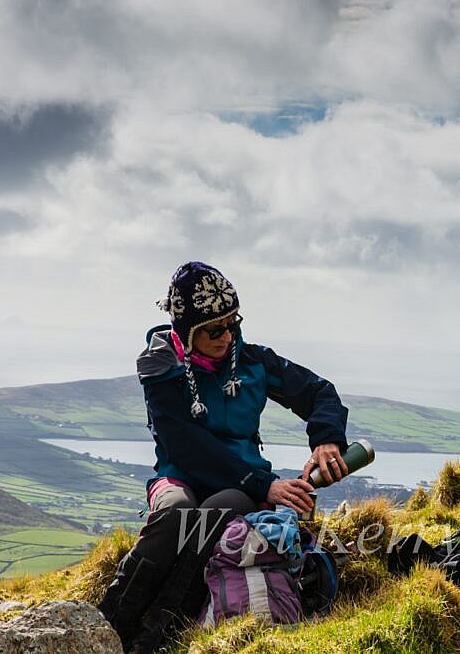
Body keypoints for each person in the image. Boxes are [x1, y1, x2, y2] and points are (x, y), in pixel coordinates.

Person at [99, 261, 349, 652]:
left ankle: (157, 636)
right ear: (187, 330)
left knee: (215, 512)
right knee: (173, 516)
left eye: (233, 323)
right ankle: (108, 625)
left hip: (240, 484)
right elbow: (182, 443)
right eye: (214, 329)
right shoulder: (161, 366)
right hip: (179, 474)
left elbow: (320, 392)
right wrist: (264, 484)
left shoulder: (254, 362)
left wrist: (327, 439)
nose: (227, 336)